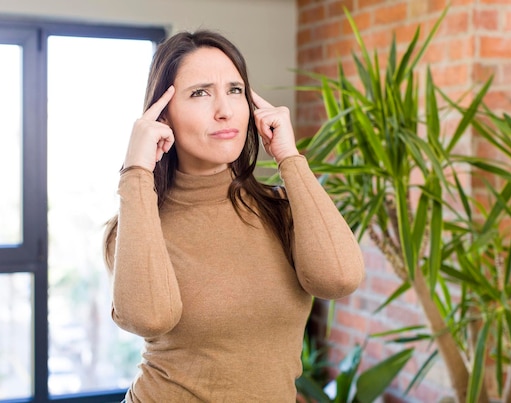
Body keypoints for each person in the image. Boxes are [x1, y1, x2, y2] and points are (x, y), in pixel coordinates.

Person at [103, 29, 364, 402]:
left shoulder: (281, 210)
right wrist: (136, 172)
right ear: (163, 116)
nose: (224, 109)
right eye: (200, 93)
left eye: (235, 90)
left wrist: (289, 156)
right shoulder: (137, 225)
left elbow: (339, 279)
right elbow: (149, 318)